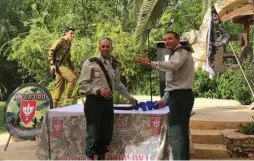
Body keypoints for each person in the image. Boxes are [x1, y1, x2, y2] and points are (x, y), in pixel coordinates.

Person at [136, 31, 195, 160]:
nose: (167, 41)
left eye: (170, 38)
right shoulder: (174, 54)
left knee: (177, 132)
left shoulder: (182, 52)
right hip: (176, 96)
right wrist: (164, 99)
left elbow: (173, 66)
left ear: (178, 39)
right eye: (165, 39)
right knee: (181, 132)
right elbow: (172, 83)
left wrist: (150, 63)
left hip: (180, 98)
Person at [78, 37, 137, 160]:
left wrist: (129, 97)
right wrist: (98, 92)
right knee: (93, 134)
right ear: (99, 47)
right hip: (94, 102)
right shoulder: (90, 63)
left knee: (105, 134)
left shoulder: (114, 63)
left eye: (107, 46)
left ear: (111, 48)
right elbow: (82, 85)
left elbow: (117, 84)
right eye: (103, 46)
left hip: (107, 102)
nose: (105, 48)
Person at [48, 27, 78, 108]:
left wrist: (73, 68)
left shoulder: (69, 44)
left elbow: (68, 58)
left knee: (59, 89)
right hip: (57, 66)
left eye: (73, 33)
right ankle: (67, 98)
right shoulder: (60, 41)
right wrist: (52, 64)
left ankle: (53, 107)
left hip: (62, 66)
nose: (73, 35)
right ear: (66, 33)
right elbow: (51, 51)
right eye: (71, 33)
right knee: (73, 79)